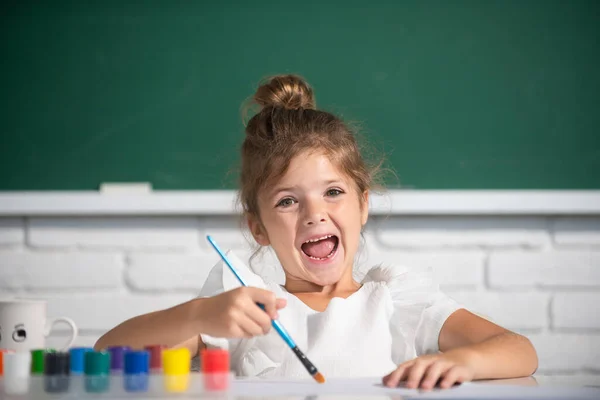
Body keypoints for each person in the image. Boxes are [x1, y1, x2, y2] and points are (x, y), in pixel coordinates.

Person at [95, 74, 538, 389]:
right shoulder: (241, 301)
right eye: (287, 201)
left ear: (363, 205)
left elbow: (520, 352)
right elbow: (106, 353)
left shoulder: (395, 298)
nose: (314, 214)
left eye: (332, 192)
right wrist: (196, 315)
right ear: (259, 229)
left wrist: (464, 360)